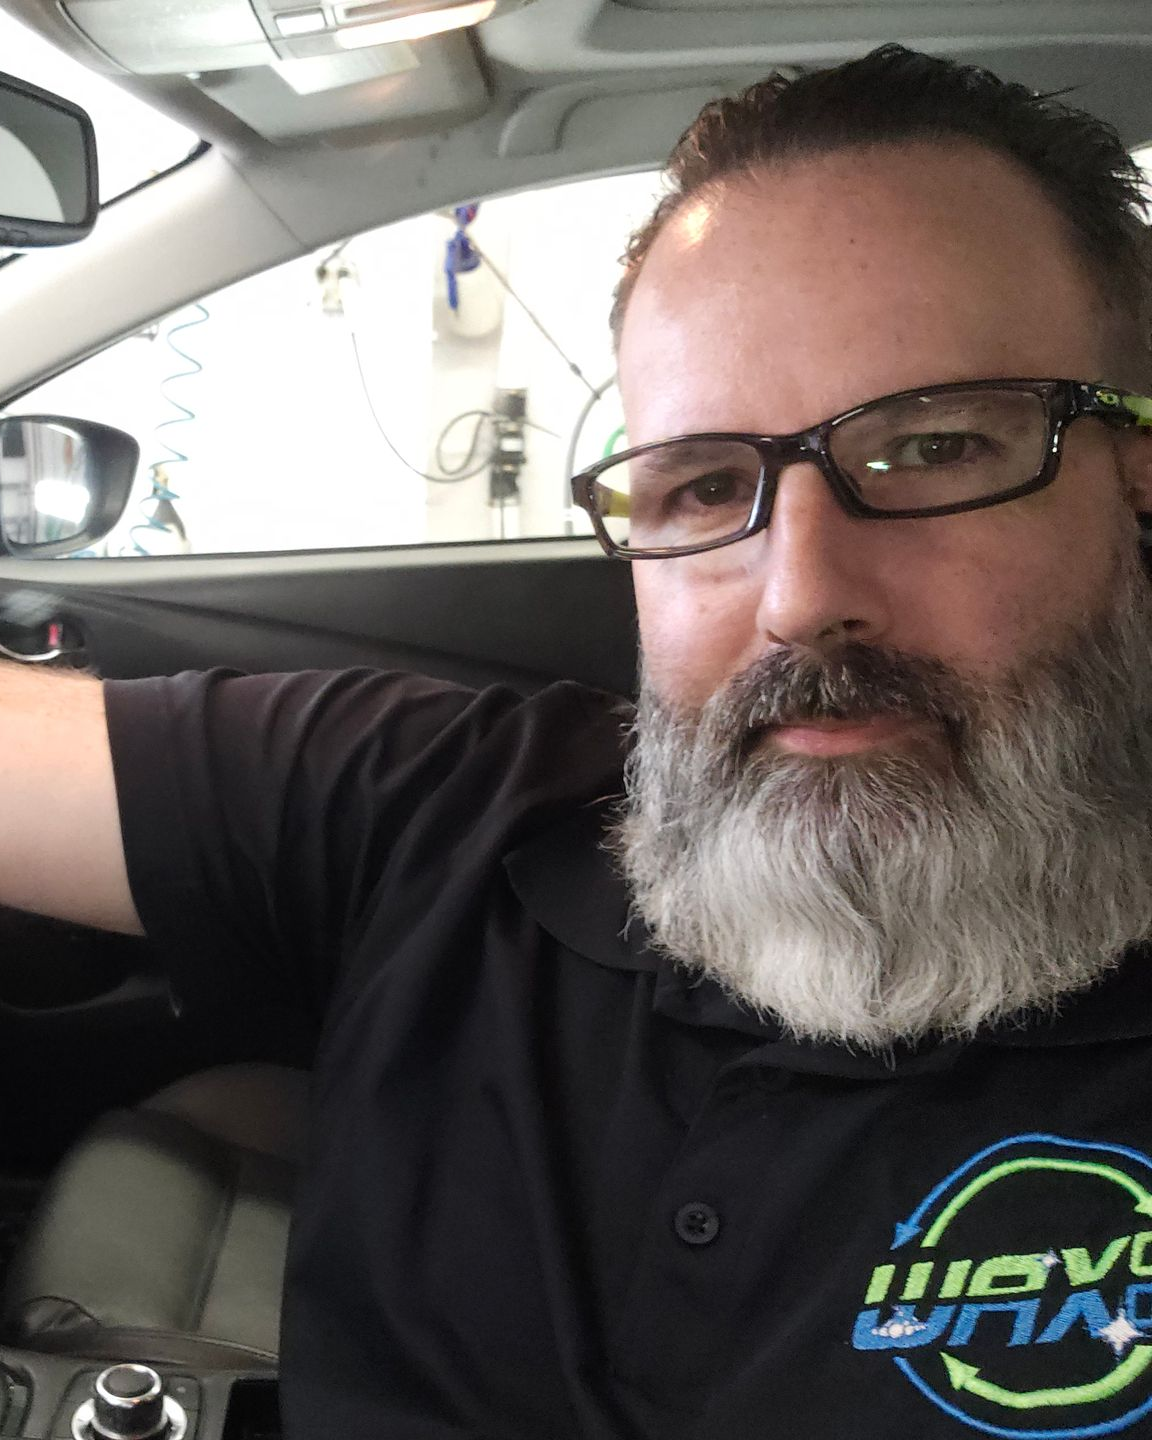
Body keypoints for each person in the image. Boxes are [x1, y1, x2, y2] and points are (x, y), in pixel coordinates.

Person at [3, 41, 1152, 1440]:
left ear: (1134, 479)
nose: (800, 596)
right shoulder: (447, 807)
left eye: (936, 449)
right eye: (704, 484)